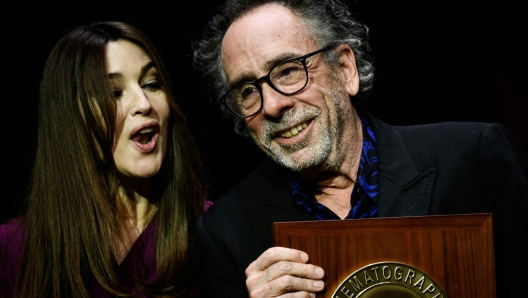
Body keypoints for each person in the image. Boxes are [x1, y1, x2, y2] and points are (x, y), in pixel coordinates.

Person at [191, 0, 528, 297]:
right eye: (248, 90)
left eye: (288, 70)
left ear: (345, 69)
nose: (272, 105)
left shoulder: (476, 160)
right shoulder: (225, 234)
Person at [0, 21, 207, 298]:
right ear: (73, 118)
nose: (144, 103)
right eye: (114, 92)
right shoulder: (15, 247)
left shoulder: (211, 230)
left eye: (152, 84)